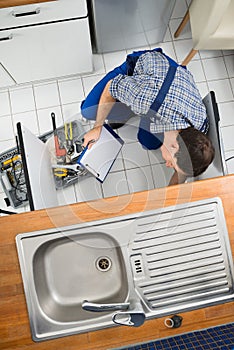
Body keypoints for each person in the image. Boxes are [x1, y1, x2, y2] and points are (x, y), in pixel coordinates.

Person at [81, 48, 215, 185]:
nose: (168, 165)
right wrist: (97, 127)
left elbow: (184, 166)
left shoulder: (199, 129)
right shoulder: (144, 99)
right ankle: (126, 105)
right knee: (88, 110)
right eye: (172, 164)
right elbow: (111, 87)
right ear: (174, 145)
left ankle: (128, 100)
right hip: (150, 69)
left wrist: (171, 192)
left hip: (174, 83)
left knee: (147, 142)